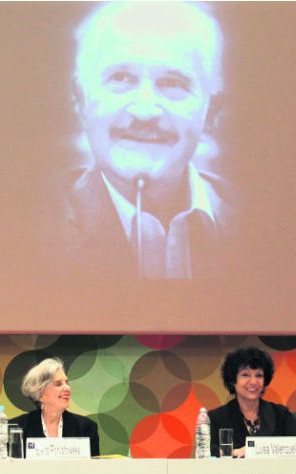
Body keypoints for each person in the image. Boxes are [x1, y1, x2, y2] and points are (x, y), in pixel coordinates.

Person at [49, 1, 241, 280]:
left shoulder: (260, 224)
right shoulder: (33, 228)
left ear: (210, 112)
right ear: (81, 102)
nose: (145, 111)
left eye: (172, 83)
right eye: (121, 78)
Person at [208, 347, 296, 458]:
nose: (253, 382)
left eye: (259, 375)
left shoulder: (281, 414)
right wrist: (234, 453)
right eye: (245, 375)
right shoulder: (216, 417)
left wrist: (254, 450)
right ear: (233, 380)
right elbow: (207, 452)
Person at [9, 357, 100, 456]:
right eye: (58, 384)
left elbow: (95, 465)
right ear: (40, 393)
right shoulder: (17, 428)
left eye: (67, 382)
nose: (67, 388)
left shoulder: (86, 428)